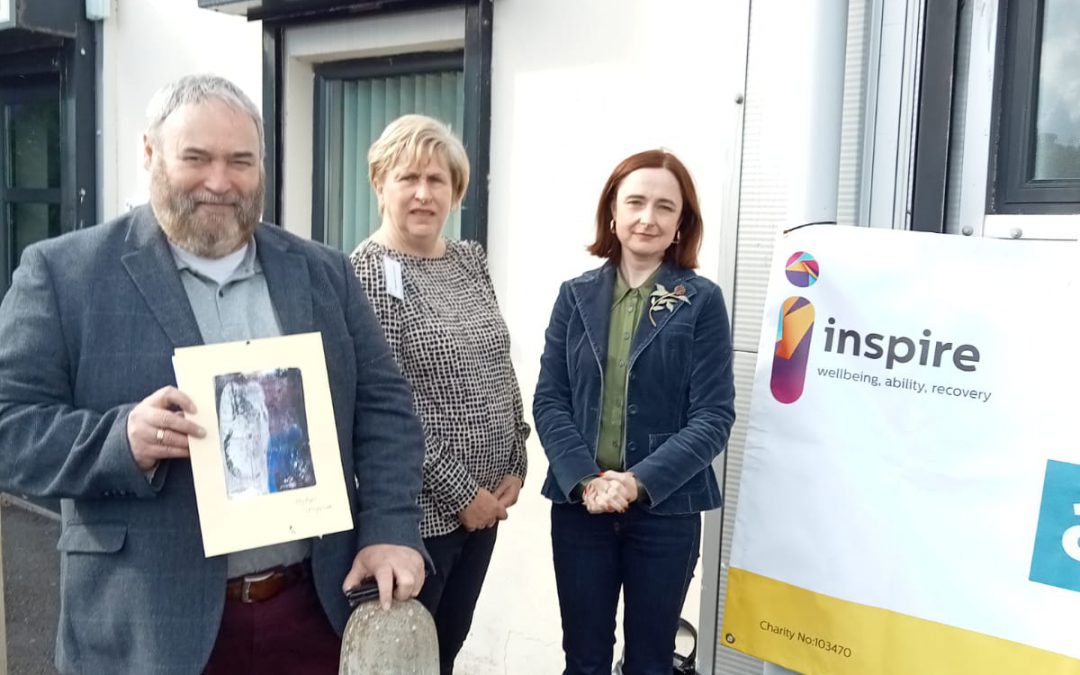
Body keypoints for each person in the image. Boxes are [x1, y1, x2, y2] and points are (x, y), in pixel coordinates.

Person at [0, 74, 428, 675]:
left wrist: (390, 526)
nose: (220, 182)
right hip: (147, 627)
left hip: (310, 613)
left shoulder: (323, 272)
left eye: (240, 161)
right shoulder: (63, 274)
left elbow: (384, 407)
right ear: (150, 154)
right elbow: (9, 426)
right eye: (195, 159)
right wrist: (120, 441)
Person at [533, 149, 736, 675]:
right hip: (581, 510)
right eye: (636, 202)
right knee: (584, 660)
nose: (648, 217)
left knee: (650, 664)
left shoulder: (702, 301)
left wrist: (635, 482)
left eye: (664, 207)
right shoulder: (574, 296)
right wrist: (586, 480)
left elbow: (713, 415)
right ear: (613, 214)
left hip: (666, 513)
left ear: (680, 224)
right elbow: (550, 399)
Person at [350, 114, 529, 674]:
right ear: (381, 185)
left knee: (445, 651)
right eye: (409, 178)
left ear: (456, 191)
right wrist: (461, 492)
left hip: (488, 508)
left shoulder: (468, 261)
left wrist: (517, 458)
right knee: (409, 660)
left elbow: (498, 360)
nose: (424, 194)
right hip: (424, 519)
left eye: (438, 181)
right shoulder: (367, 274)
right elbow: (383, 409)